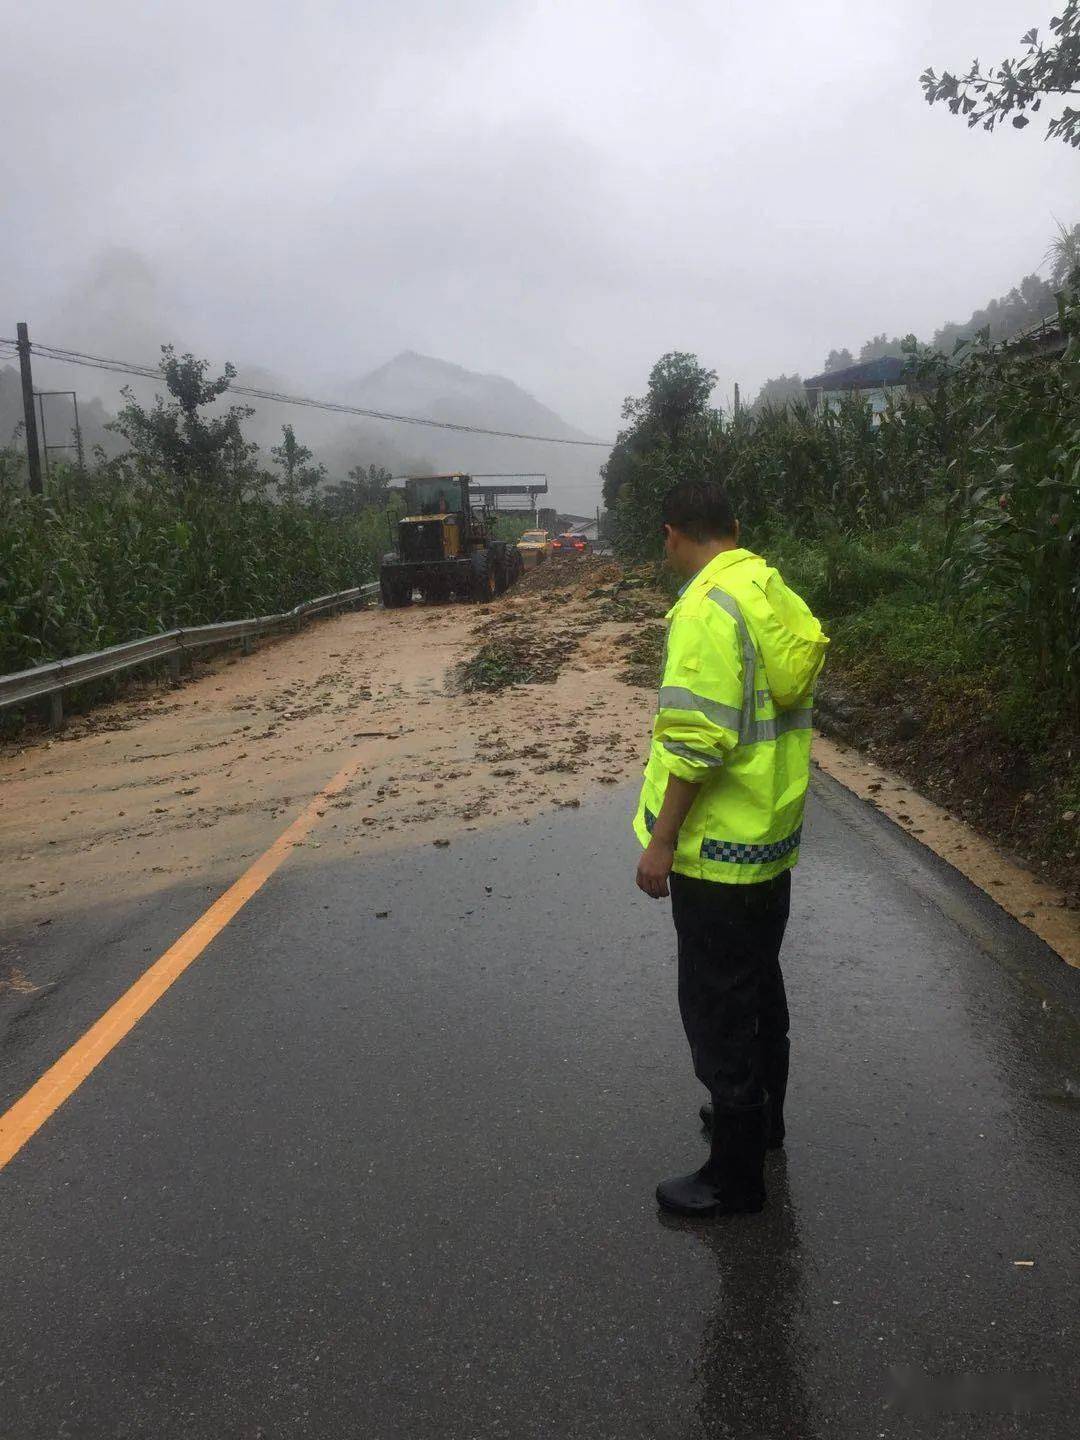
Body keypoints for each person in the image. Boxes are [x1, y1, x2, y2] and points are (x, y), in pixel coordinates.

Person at [634, 480, 828, 1217]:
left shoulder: (706, 610)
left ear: (672, 535)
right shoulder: (768, 592)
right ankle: (762, 1127)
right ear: (737, 528)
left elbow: (695, 741)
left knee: (718, 1006)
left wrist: (661, 841)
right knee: (758, 989)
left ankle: (734, 1178)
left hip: (716, 850)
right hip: (767, 842)